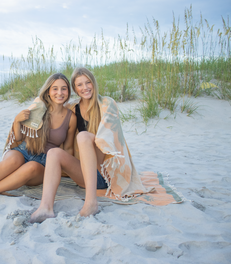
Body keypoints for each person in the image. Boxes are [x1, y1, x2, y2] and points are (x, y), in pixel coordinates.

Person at [30, 67, 150, 223]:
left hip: (105, 174)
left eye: (88, 82)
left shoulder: (107, 104)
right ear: (74, 88)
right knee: (53, 153)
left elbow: (109, 138)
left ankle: (91, 203)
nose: (85, 88)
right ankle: (45, 208)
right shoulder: (72, 108)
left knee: (84, 137)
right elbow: (46, 105)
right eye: (79, 85)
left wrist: (86, 140)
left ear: (94, 83)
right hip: (85, 175)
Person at [0, 73, 76, 202]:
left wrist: (62, 171)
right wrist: (17, 121)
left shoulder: (71, 118)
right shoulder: (37, 109)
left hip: (43, 163)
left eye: (64, 88)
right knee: (13, 161)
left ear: (68, 91)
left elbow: (68, 148)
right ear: (48, 91)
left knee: (32, 166)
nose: (59, 92)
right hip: (24, 151)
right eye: (55, 88)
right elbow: (18, 137)